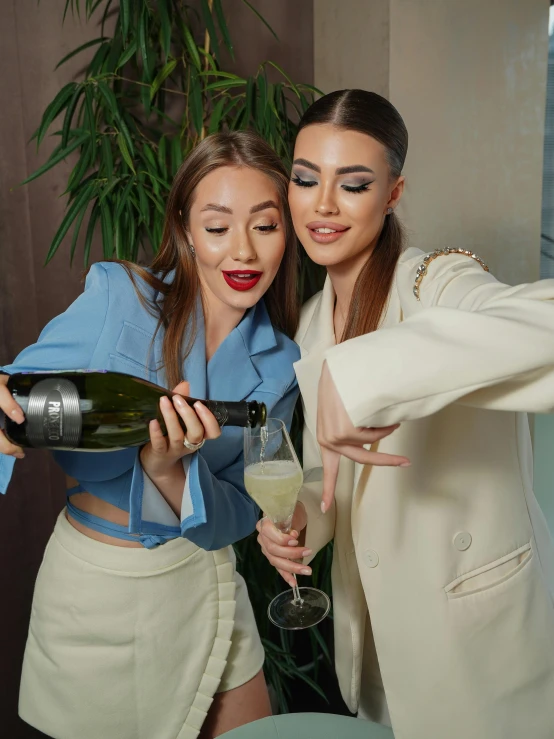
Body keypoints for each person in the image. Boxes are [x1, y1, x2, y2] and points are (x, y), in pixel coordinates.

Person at [257, 89, 554, 739]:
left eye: (354, 184)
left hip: (477, 645)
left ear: (393, 193)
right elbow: (331, 478)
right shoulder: (311, 324)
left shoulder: (435, 282)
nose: (323, 205)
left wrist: (366, 370)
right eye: (306, 179)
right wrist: (305, 517)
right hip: (383, 642)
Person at [0, 131, 300, 739]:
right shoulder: (122, 297)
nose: (242, 252)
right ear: (187, 230)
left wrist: (171, 471)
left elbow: (240, 513)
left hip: (207, 584)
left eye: (265, 227)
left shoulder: (280, 362)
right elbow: (15, 391)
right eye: (217, 227)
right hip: (98, 592)